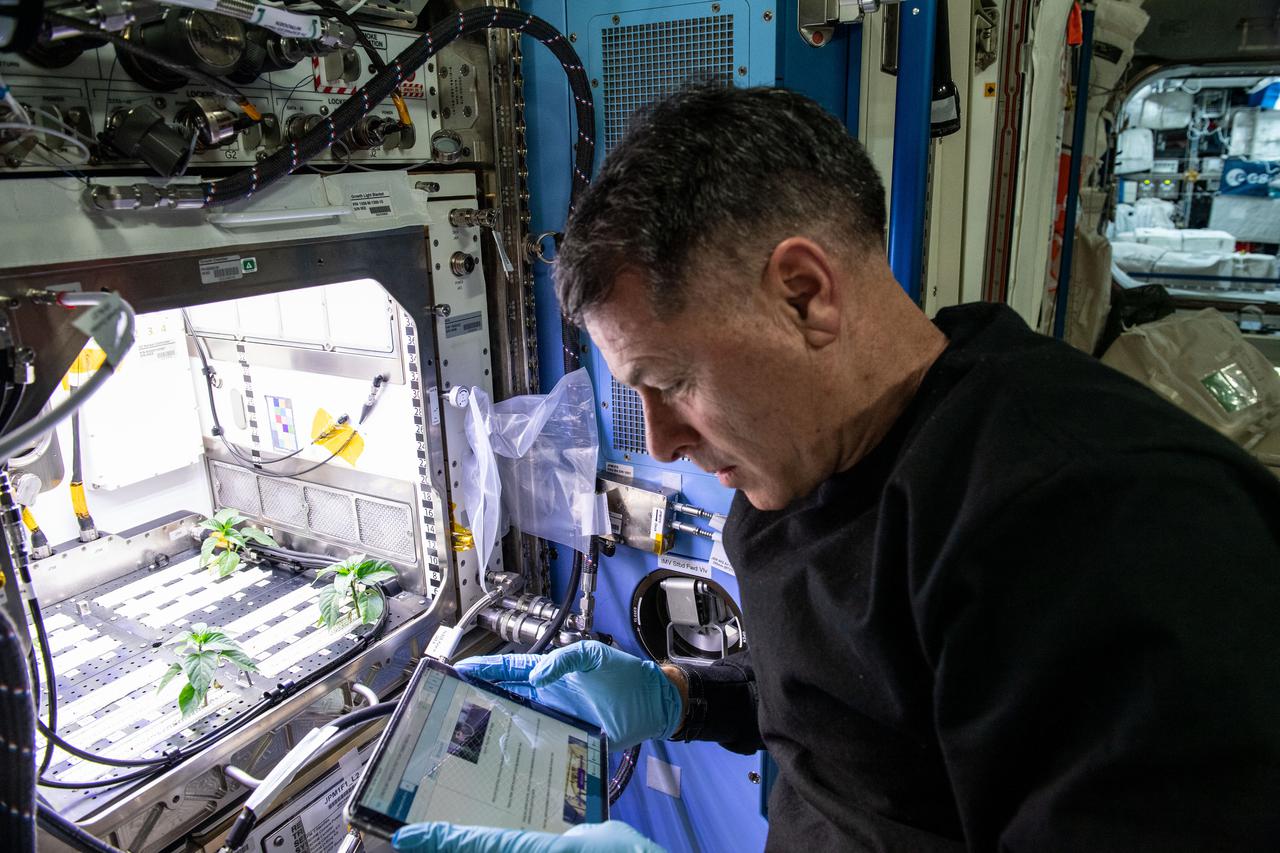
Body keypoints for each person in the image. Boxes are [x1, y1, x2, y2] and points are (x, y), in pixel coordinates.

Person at [391, 84, 1280, 852]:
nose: (660, 443)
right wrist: (685, 699)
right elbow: (871, 734)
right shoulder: (805, 476)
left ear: (805, 296)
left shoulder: (1097, 527)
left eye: (671, 383)